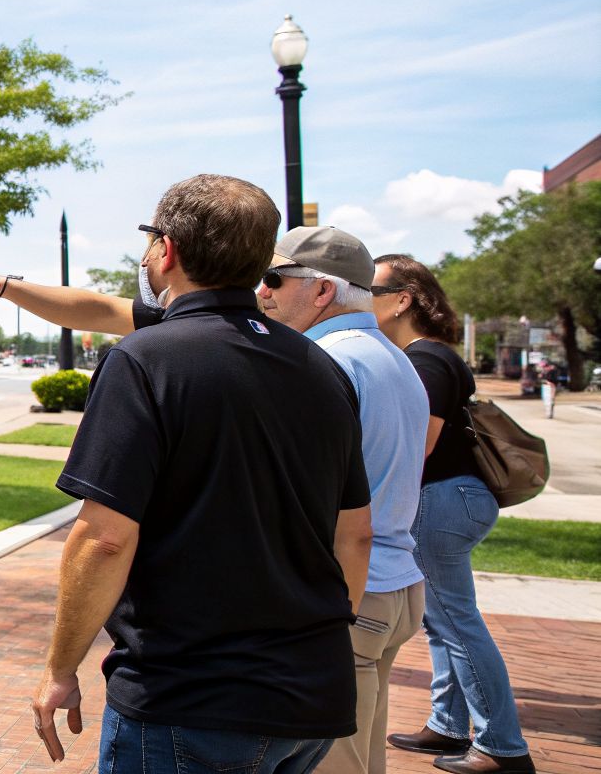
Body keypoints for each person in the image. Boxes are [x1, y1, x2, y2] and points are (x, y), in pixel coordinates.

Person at [28, 175, 374, 774]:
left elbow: (104, 537)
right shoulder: (320, 368)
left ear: (168, 251)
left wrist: (61, 669)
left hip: (189, 703)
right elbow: (356, 535)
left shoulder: (143, 360)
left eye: (148, 242)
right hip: (313, 695)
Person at [257, 228, 429, 774]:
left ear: (323, 291)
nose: (261, 291)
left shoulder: (321, 364)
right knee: (361, 759)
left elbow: (299, 498)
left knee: (330, 766)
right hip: (394, 588)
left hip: (347, 596)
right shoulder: (394, 357)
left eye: (273, 279)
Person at [373, 254, 535, 774]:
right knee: (442, 623)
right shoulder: (428, 356)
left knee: (457, 623)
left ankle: (502, 748)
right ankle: (447, 725)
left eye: (371, 288)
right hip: (454, 498)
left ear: (404, 299)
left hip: (443, 499)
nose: (361, 296)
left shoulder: (426, 360)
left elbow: (414, 447)